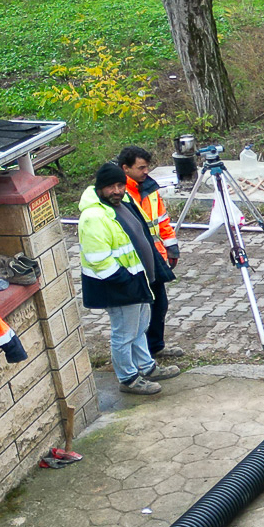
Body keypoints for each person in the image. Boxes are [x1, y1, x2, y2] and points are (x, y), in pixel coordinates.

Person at [79, 162, 181, 394]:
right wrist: (124, 280)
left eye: (120, 185)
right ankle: (128, 378)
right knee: (124, 334)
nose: (116, 190)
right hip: (119, 286)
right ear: (100, 188)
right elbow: (98, 259)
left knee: (139, 328)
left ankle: (146, 367)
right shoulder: (93, 217)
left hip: (137, 280)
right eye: (110, 187)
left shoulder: (122, 203)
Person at [119, 145, 184, 363]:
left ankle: (155, 347)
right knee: (142, 312)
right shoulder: (121, 194)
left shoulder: (150, 189)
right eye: (141, 167)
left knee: (159, 305)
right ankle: (143, 355)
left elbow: (162, 220)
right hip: (135, 262)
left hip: (154, 258)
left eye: (147, 167)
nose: (146, 171)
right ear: (125, 169)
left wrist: (171, 245)